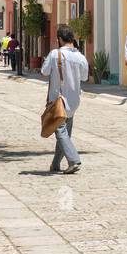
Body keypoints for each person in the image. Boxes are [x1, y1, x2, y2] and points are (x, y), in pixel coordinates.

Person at [42, 25, 88, 174]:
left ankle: (73, 161)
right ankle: (55, 164)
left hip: (59, 100)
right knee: (64, 133)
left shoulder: (55, 54)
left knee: (60, 132)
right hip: (74, 101)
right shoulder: (81, 57)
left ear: (60, 39)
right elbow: (84, 77)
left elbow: (44, 71)